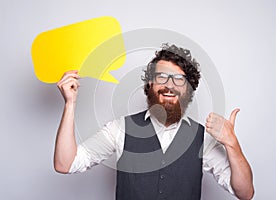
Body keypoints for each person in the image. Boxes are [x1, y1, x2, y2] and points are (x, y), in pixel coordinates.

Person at [54, 44, 254, 200]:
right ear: (150, 84)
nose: (169, 85)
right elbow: (66, 164)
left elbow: (245, 193)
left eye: (178, 79)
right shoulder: (120, 129)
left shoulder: (203, 139)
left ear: (188, 89)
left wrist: (232, 144)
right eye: (162, 77)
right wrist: (70, 104)